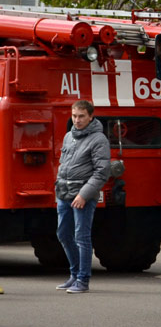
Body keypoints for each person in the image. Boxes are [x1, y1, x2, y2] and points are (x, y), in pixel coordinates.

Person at [54, 99, 110, 294]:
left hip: (82, 196)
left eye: (81, 116)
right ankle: (74, 274)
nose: (77, 120)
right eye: (74, 116)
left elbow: (102, 172)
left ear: (90, 116)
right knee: (62, 234)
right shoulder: (69, 136)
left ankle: (83, 280)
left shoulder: (99, 140)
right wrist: (58, 189)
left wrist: (84, 195)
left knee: (82, 237)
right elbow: (64, 165)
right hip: (63, 193)